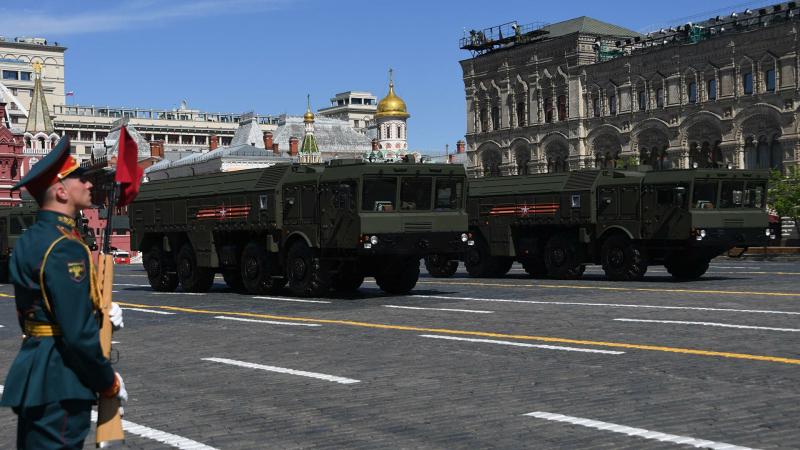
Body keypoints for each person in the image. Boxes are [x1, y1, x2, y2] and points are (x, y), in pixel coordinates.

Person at [0, 138, 127, 449]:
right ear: (60, 191)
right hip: (60, 378)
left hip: (37, 370)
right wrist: (108, 382)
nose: (88, 183)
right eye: (80, 178)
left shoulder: (31, 241)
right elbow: (76, 334)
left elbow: (45, 306)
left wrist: (98, 309)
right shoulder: (66, 247)